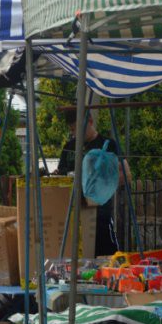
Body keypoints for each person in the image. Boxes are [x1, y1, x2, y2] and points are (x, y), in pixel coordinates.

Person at [55, 109, 131, 256]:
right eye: (72, 130)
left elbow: (127, 176)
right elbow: (60, 178)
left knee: (108, 258)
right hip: (71, 218)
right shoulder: (68, 147)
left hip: (99, 216)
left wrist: (100, 185)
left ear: (90, 122)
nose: (75, 134)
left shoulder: (108, 145)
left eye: (78, 129)